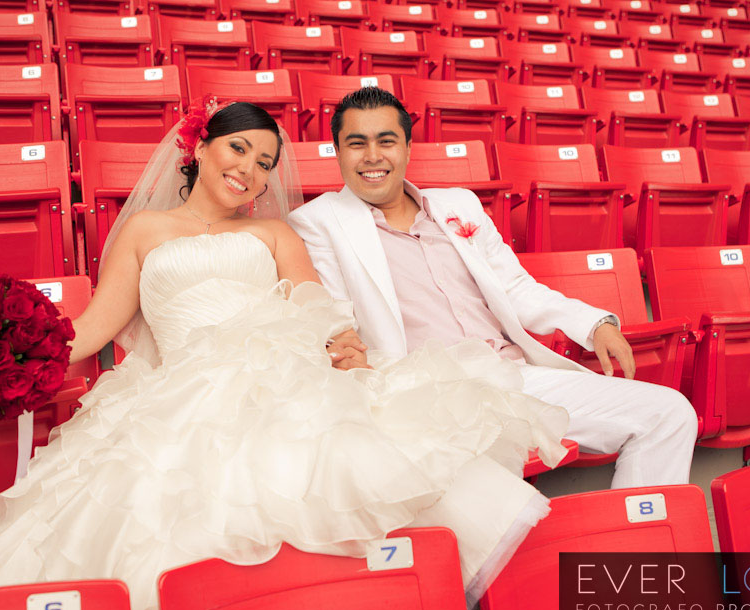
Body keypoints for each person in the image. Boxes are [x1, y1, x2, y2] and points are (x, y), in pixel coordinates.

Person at [0, 100, 571, 610]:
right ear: (199, 148)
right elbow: (93, 329)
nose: (249, 171)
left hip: (281, 374)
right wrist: (6, 352)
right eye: (238, 150)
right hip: (181, 393)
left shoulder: (276, 235)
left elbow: (326, 318)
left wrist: (347, 355)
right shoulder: (145, 231)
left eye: (264, 163)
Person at [287, 87, 698, 490]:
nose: (372, 156)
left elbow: (516, 287)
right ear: (338, 152)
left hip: (514, 375)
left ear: (408, 149)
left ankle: (641, 552)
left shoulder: (458, 205)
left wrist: (594, 325)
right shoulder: (316, 222)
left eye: (386, 141)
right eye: (356, 143)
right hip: (430, 393)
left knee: (670, 412)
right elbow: (333, 316)